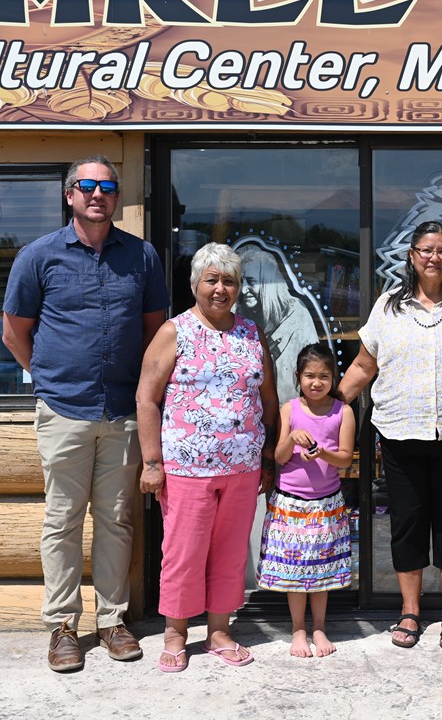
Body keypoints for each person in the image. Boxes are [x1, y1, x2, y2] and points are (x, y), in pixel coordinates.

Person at [2, 154, 170, 672]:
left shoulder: (141, 257)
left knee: (117, 521)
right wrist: (51, 383)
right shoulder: (38, 257)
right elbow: (14, 333)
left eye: (108, 186)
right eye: (87, 185)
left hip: (122, 412)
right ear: (70, 195)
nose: (98, 194)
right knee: (63, 521)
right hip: (64, 412)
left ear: (117, 197)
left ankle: (112, 621)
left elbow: (155, 331)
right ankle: (62, 628)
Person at [338, 220, 442, 650]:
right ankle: (409, 611)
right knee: (407, 525)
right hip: (400, 433)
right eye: (426, 249)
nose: (433, 257)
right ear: (412, 256)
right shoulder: (389, 306)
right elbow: (363, 367)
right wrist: (325, 410)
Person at [135, 242, 279, 673]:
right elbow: (146, 398)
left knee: (230, 552)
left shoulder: (252, 333)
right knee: (184, 552)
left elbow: (268, 398)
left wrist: (268, 455)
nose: (220, 289)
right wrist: (151, 462)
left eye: (229, 281)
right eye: (212, 279)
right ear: (195, 283)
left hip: (242, 468)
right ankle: (176, 634)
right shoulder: (173, 331)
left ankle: (219, 631)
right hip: (187, 468)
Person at [257, 342, 356, 658]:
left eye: (324, 376)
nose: (317, 382)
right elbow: (280, 457)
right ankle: (298, 629)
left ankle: (319, 627)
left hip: (326, 504)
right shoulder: (290, 409)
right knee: (295, 571)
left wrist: (322, 452)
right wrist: (291, 438)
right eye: (310, 375)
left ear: (333, 378)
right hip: (291, 505)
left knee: (321, 571)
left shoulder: (344, 412)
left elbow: (344, 459)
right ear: (298, 376)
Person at [236, 241, 321, 403]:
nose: (244, 289)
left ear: (268, 282)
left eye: (251, 281)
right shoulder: (237, 314)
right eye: (241, 282)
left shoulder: (297, 315)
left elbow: (314, 367)